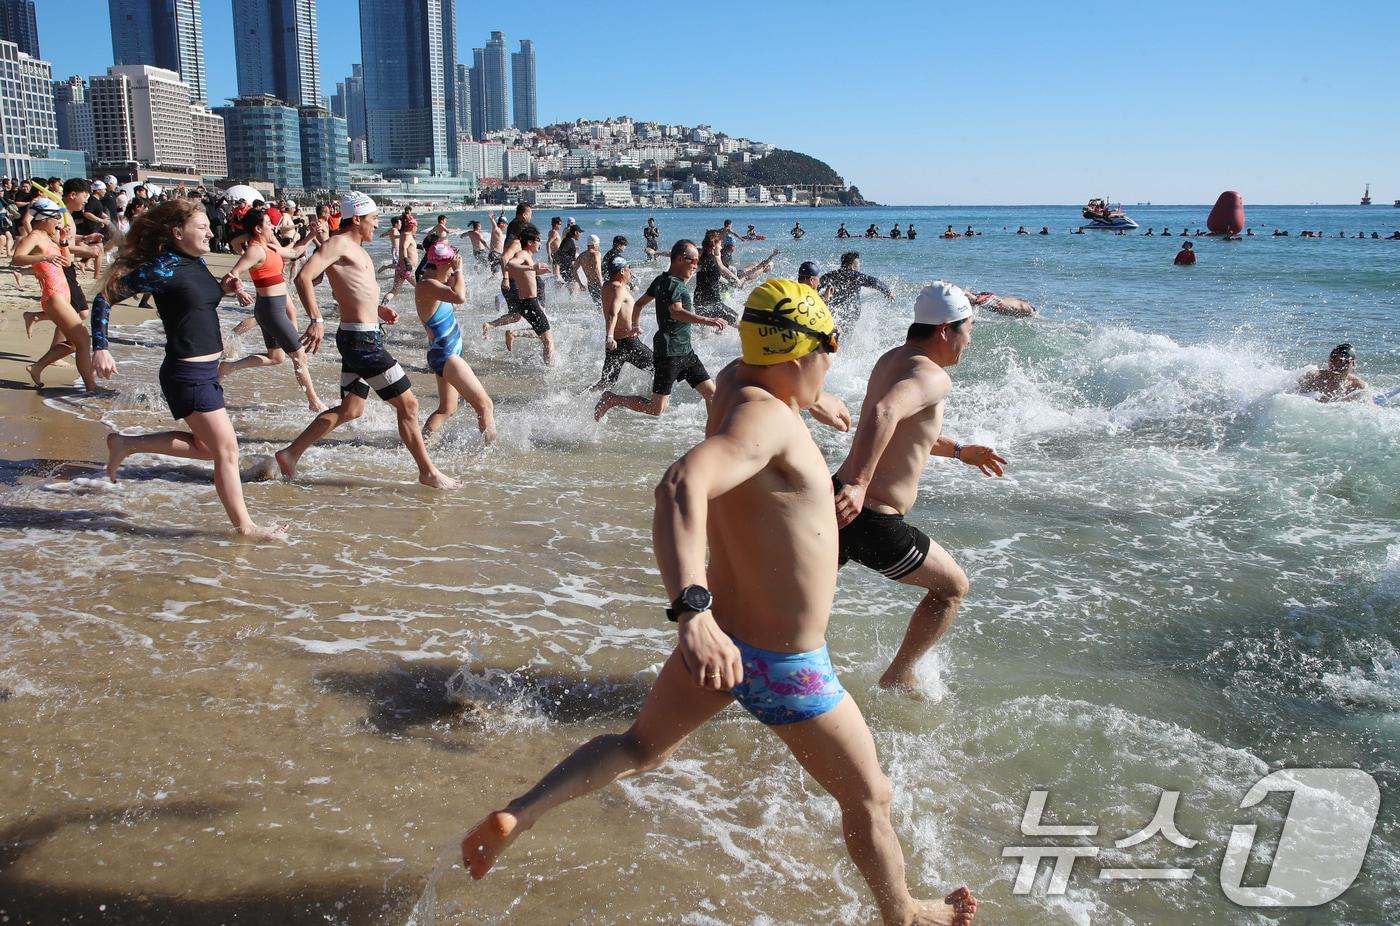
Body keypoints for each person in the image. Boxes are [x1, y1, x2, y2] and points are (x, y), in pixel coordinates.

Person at [464, 278, 978, 926]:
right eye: (828, 352)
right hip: (784, 665)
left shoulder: (740, 382)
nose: (830, 364)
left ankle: (523, 811)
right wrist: (691, 612)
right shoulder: (765, 418)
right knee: (871, 796)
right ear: (797, 358)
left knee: (636, 747)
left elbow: (758, 420)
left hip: (728, 643)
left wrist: (811, 405)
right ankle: (903, 913)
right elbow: (679, 485)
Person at [832, 282, 1005, 691]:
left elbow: (900, 429)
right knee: (952, 589)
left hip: (835, 499)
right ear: (946, 329)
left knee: (795, 611)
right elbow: (885, 410)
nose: (971, 337)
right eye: (969, 328)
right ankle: (899, 675)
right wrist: (860, 484)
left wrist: (961, 451)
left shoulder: (893, 359)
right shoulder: (934, 377)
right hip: (872, 519)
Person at [94, 199, 284, 541]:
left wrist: (223, 290)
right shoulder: (164, 268)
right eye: (202, 227)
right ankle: (246, 527)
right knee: (227, 451)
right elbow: (104, 298)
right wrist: (100, 347)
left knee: (207, 447)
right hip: (187, 374)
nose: (211, 231)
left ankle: (125, 444)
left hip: (207, 373)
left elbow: (193, 300)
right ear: (177, 232)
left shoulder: (195, 261)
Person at [272, 192, 459, 490]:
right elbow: (303, 277)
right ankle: (427, 472)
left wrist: (378, 309)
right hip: (361, 342)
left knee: (351, 409)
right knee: (409, 405)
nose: (377, 225)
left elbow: (354, 291)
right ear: (356, 219)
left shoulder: (357, 248)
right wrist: (316, 319)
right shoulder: (339, 243)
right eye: (373, 219)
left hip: (363, 335)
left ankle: (290, 454)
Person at [595, 240, 725, 421]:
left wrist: (635, 325)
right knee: (656, 409)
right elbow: (676, 311)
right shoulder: (673, 284)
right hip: (669, 353)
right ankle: (612, 399)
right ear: (680, 259)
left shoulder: (661, 280)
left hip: (685, 351)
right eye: (693, 261)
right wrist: (707, 320)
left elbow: (639, 304)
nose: (696, 265)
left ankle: (714, 437)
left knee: (712, 394)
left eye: (698, 261)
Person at [217, 206, 325, 411]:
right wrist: (239, 290)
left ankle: (228, 367)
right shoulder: (255, 250)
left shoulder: (270, 248)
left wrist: (311, 234)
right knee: (299, 355)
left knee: (276, 357)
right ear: (258, 229)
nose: (272, 226)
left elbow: (294, 252)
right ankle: (314, 402)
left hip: (271, 309)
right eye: (268, 224)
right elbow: (233, 274)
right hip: (271, 311)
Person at [11, 198, 99, 390]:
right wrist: (44, 257)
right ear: (44, 219)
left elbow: (66, 262)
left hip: (62, 295)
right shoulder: (33, 236)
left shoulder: (49, 237)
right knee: (84, 340)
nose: (59, 221)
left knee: (75, 344)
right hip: (53, 296)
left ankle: (37, 367)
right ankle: (91, 387)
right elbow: (16, 259)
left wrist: (64, 240)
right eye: (56, 218)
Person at [413, 241, 495, 442]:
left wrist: (454, 273)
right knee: (485, 405)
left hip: (444, 354)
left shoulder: (435, 285)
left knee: (447, 409)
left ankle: (422, 445)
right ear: (440, 265)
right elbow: (460, 297)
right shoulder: (427, 285)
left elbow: (453, 294)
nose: (452, 271)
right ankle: (490, 453)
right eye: (450, 265)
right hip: (446, 356)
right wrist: (459, 271)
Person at [483, 223, 555, 364]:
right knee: (548, 340)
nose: (540, 244)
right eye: (538, 241)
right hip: (530, 302)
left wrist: (535, 271)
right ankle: (550, 369)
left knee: (541, 334)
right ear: (529, 242)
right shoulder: (523, 254)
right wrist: (532, 267)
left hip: (526, 302)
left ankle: (514, 333)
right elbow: (510, 264)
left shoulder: (527, 255)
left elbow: (521, 271)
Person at [590, 255, 653, 391]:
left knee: (606, 382)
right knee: (657, 368)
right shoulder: (619, 288)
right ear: (622, 271)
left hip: (615, 345)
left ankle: (580, 399)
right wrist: (610, 336)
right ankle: (655, 400)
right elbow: (613, 313)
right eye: (628, 269)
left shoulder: (607, 286)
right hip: (628, 342)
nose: (631, 272)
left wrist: (611, 338)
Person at [819, 252, 893, 327]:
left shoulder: (831, 275)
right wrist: (887, 292)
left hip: (835, 312)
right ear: (852, 265)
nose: (859, 266)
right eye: (858, 264)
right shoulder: (857, 277)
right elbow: (875, 282)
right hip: (851, 314)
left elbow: (816, 286)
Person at [1298, 343, 1368, 402]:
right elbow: (1293, 396)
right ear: (1329, 360)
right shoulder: (1313, 377)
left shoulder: (1358, 386)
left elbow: (1369, 406)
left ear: (1353, 364)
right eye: (1334, 359)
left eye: (1343, 361)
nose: (1337, 364)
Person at [554, 224, 582, 295]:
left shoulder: (568, 240)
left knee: (572, 286)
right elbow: (559, 253)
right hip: (567, 268)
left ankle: (561, 286)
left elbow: (565, 253)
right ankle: (572, 303)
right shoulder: (568, 241)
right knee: (574, 286)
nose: (580, 234)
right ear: (576, 232)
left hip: (566, 268)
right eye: (580, 232)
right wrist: (571, 262)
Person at [579, 234, 604, 306]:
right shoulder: (597, 254)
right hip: (598, 283)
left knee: (598, 306)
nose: (598, 246)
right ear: (594, 244)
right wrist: (601, 283)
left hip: (590, 284)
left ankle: (599, 317)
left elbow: (574, 270)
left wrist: (580, 283)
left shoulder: (581, 255)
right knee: (606, 304)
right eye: (598, 244)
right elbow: (597, 269)